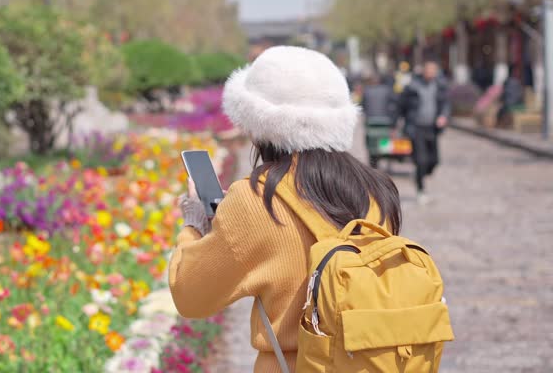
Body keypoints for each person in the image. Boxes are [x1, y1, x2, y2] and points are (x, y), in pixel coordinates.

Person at [169, 46, 402, 373]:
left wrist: (194, 223)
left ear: (256, 124)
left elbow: (190, 296)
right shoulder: (376, 189)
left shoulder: (256, 199)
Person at [392, 60, 450, 204]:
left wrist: (443, 116)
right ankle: (421, 189)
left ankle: (421, 174)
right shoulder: (412, 87)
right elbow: (400, 106)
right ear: (423, 71)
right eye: (429, 70)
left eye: (433, 70)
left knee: (434, 161)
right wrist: (395, 125)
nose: (431, 73)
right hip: (416, 128)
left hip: (432, 128)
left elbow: (445, 104)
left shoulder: (439, 86)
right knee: (421, 160)